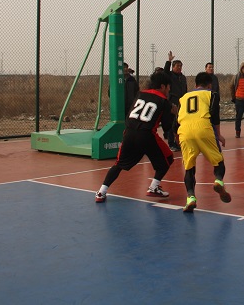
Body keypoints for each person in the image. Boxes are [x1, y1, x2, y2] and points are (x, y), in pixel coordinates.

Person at [95, 71, 175, 203]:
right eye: (168, 87)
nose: (169, 90)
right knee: (168, 158)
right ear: (162, 86)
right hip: (147, 135)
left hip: (129, 133)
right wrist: (173, 113)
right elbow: (166, 127)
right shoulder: (164, 101)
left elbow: (130, 115)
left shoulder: (140, 94)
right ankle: (154, 187)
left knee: (118, 164)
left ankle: (101, 192)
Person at [177, 72, 231, 212]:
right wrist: (218, 135)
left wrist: (177, 136)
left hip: (185, 131)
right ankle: (218, 181)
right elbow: (214, 116)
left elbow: (176, 119)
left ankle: (190, 198)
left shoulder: (183, 97)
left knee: (189, 168)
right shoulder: (211, 94)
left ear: (195, 84)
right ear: (209, 85)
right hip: (203, 128)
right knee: (218, 161)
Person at [164, 51, 188, 151]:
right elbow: (165, 72)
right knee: (172, 123)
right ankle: (171, 143)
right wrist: (169, 61)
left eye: (180, 66)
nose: (179, 68)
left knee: (179, 123)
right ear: (173, 67)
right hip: (172, 101)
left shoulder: (183, 77)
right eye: (177, 66)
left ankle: (178, 142)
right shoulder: (169, 75)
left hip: (181, 102)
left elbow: (185, 89)